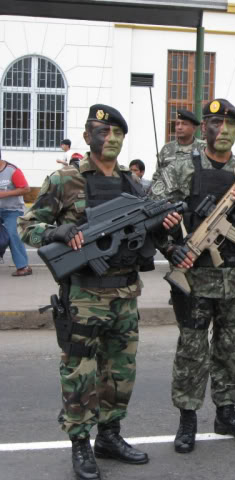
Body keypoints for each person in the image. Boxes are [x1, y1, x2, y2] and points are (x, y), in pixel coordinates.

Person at [18, 104, 181, 480]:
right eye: (101, 132)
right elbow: (29, 225)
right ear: (88, 134)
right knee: (80, 372)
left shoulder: (136, 185)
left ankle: (110, 436)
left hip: (126, 294)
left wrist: (167, 227)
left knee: (119, 373)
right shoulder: (65, 181)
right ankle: (80, 444)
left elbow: (150, 239)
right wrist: (57, 232)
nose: (109, 139)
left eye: (117, 134)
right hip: (83, 297)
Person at [150, 98, 235, 453]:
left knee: (229, 348)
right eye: (214, 124)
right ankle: (187, 420)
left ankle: (226, 413)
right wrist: (170, 249)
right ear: (203, 128)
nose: (221, 131)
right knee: (192, 350)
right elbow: (151, 214)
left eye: (229, 126)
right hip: (194, 276)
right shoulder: (180, 169)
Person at [0, 148, 32, 276]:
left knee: (13, 234)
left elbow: (26, 189)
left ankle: (23, 266)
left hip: (12, 210)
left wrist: (4, 194)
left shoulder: (12, 170)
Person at [152, 109, 204, 186]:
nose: (179, 127)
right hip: (170, 197)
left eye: (184, 124)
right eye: (177, 124)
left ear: (194, 128)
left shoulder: (203, 148)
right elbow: (157, 176)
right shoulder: (167, 149)